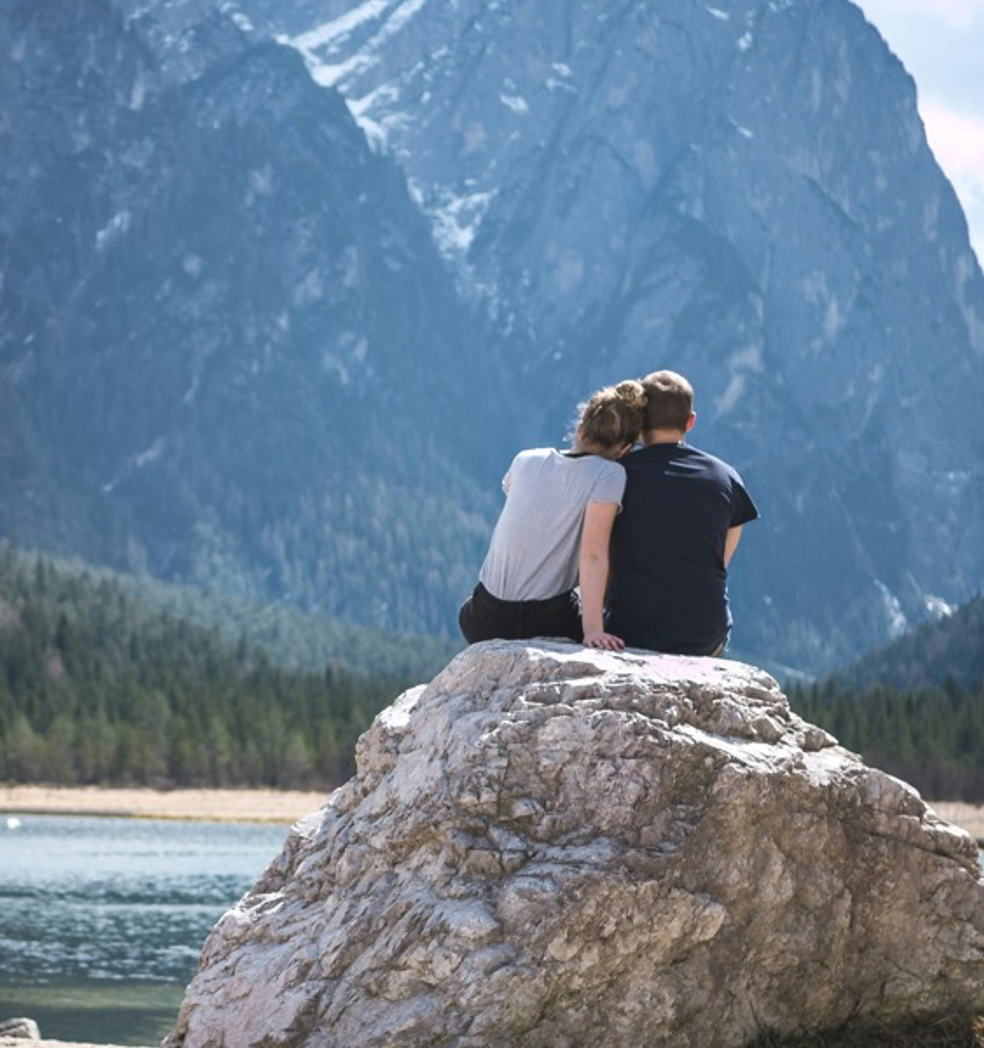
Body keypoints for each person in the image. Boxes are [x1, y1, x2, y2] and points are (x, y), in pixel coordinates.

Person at [459, 381, 647, 650]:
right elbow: (593, 553)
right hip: (546, 619)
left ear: (581, 429)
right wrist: (593, 630)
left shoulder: (525, 459)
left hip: (483, 618)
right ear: (625, 450)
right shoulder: (609, 474)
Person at [607, 370, 759, 656]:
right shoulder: (726, 478)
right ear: (690, 422)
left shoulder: (615, 476)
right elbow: (719, 560)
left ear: (639, 422)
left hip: (631, 632)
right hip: (705, 636)